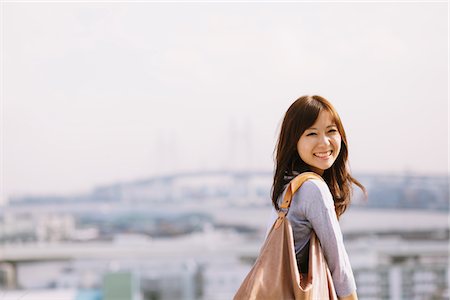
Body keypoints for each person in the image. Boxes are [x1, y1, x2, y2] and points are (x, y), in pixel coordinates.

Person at [268, 95, 367, 300]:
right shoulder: (313, 188)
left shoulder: (287, 187)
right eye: (311, 133)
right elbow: (339, 266)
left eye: (331, 131)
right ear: (293, 141)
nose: (324, 142)